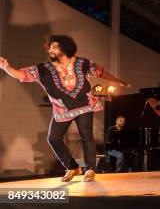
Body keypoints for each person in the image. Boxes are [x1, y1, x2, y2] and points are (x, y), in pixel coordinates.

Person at [0, 35, 129, 182]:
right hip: (62, 109)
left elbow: (100, 72)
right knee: (53, 138)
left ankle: (90, 169)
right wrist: (7, 67)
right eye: (50, 48)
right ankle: (72, 167)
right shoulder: (43, 69)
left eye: (54, 47)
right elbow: (22, 75)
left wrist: (119, 81)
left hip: (84, 105)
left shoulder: (82, 63)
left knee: (86, 135)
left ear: (65, 47)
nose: (51, 50)